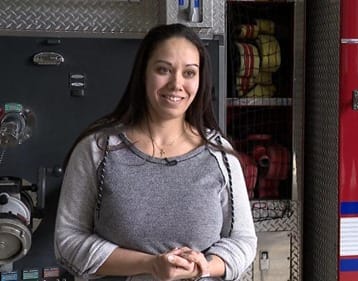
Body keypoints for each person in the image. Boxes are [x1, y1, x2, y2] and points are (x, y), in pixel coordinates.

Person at [54, 23, 257, 281]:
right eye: (164, 70)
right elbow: (67, 240)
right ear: (143, 74)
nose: (176, 84)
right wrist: (151, 265)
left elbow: (243, 241)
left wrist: (202, 267)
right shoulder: (98, 150)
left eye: (189, 73)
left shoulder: (220, 155)